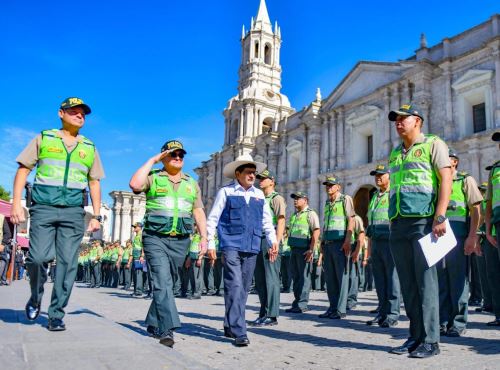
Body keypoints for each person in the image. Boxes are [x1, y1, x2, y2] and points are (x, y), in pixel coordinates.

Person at [11, 97, 104, 331]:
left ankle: (56, 314)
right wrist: (15, 204)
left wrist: (95, 215)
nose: (80, 115)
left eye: (83, 113)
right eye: (74, 111)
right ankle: (35, 296)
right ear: (61, 113)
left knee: (67, 264)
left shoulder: (89, 147)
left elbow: (94, 182)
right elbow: (23, 170)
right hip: (43, 207)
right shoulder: (45, 137)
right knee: (37, 258)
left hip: (73, 212)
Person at [387, 103, 452, 358]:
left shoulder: (433, 144)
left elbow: (445, 178)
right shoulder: (395, 152)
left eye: (404, 118)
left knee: (426, 282)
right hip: (398, 221)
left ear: (418, 121)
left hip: (423, 221)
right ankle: (414, 337)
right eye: (396, 119)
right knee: (408, 283)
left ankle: (431, 340)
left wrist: (440, 216)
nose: (398, 122)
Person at [129, 139, 209, 348]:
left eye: (181, 155)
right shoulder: (153, 177)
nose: (177, 158)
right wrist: (154, 160)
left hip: (181, 240)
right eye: (173, 154)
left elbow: (198, 211)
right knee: (162, 282)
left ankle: (153, 321)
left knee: (169, 284)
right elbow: (135, 185)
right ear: (164, 156)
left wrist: (204, 238)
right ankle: (167, 329)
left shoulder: (191, 183)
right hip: (155, 237)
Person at [206, 154, 278, 346]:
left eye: (254, 173)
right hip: (230, 244)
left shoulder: (259, 194)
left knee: (243, 288)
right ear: (237, 173)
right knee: (235, 284)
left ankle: (230, 324)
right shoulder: (226, 192)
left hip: (252, 244)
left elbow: (266, 220)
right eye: (248, 172)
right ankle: (240, 331)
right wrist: (210, 244)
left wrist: (272, 240)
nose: (252, 176)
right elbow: (212, 219)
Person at [437, 148, 482, 336]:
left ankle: (458, 322)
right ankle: (443, 320)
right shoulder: (437, 182)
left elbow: (476, 209)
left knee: (458, 280)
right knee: (441, 281)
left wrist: (473, 236)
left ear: (454, 161)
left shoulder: (466, 180)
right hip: (439, 237)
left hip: (459, 236)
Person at [366, 164, 400, 327]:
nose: (378, 177)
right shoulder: (375, 196)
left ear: (389, 175)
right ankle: (382, 311)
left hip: (390, 241)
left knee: (392, 278)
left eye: (381, 174)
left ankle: (392, 313)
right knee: (379, 279)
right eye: (376, 175)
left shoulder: (393, 193)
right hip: (377, 241)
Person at [251, 169, 286, 327]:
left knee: (271, 279)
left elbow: (281, 221)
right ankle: (263, 312)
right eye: (260, 178)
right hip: (258, 239)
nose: (260, 181)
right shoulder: (259, 198)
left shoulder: (276, 198)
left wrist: (276, 243)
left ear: (272, 181)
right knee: (260, 280)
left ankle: (272, 315)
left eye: (264, 178)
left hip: (270, 240)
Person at [318, 177, 355, 320]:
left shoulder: (345, 199)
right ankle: (332, 307)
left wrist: (347, 241)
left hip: (340, 243)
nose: (328, 187)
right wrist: (322, 242)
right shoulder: (327, 202)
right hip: (328, 243)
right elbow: (326, 223)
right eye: (327, 185)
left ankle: (340, 309)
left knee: (341, 277)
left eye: (331, 185)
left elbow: (351, 219)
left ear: (338, 187)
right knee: (330, 278)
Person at [285, 192, 320, 314]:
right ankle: (297, 302)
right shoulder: (295, 215)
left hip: (304, 250)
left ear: (305, 200)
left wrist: (311, 249)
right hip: (294, 249)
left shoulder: (311, 214)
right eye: (294, 198)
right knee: (296, 277)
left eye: (298, 198)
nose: (295, 200)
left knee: (304, 277)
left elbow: (316, 231)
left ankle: (302, 304)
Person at [485, 131, 500, 326]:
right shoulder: (495, 170)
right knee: (496, 273)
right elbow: (488, 202)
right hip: (498, 223)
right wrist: (487, 229)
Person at [130, 223, 145, 296]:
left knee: (139, 273)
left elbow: (143, 246)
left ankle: (139, 291)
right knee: (135, 273)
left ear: (139, 227)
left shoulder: (141, 235)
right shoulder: (136, 236)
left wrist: (142, 255)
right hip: (135, 256)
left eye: (135, 227)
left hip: (139, 256)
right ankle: (135, 290)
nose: (134, 228)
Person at [0, 216, 12, 285]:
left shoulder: (1, 217)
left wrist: (2, 244)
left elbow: (8, 233)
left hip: (2, 251)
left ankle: (3, 279)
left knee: (4, 263)